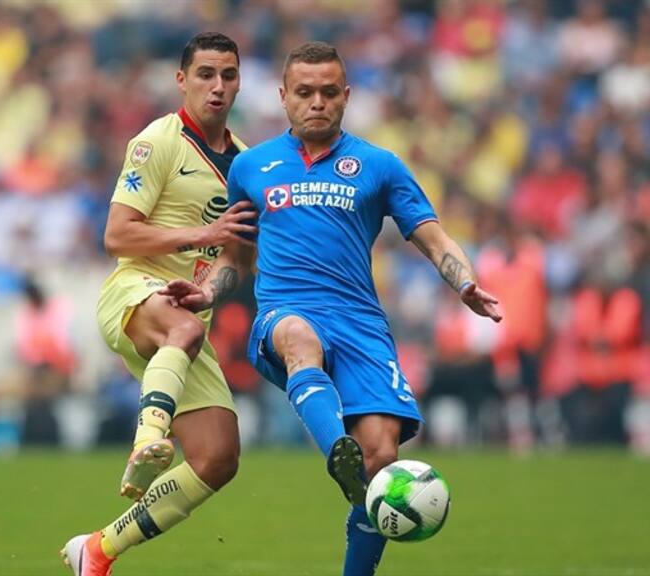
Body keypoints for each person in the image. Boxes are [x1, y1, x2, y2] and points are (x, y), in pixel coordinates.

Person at [161, 41, 502, 576]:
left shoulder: (379, 165)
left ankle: (355, 514)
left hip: (361, 324)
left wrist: (465, 284)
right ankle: (334, 448)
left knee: (382, 459)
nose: (316, 102)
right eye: (304, 92)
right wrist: (208, 291)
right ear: (283, 97)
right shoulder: (251, 167)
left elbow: (433, 239)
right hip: (284, 313)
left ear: (346, 96)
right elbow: (235, 257)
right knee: (299, 340)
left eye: (327, 92)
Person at [61, 32, 256, 576]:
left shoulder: (246, 164)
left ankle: (96, 551)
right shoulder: (158, 141)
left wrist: (211, 289)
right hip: (134, 294)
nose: (218, 87)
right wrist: (200, 233)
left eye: (229, 76)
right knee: (186, 333)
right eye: (205, 75)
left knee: (219, 458)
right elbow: (118, 235)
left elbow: (237, 260)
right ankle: (147, 438)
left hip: (189, 313)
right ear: (182, 80)